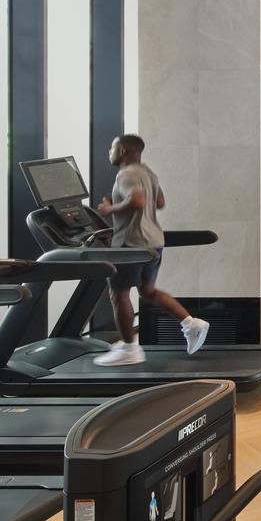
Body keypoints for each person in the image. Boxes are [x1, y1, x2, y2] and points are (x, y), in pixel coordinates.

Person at [92, 134, 208, 365]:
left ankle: (128, 348)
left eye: (112, 148)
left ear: (123, 151)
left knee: (119, 294)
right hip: (153, 241)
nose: (109, 152)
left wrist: (109, 209)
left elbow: (138, 201)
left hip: (131, 244)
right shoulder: (147, 172)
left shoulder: (126, 174)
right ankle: (191, 323)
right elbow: (160, 202)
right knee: (148, 291)